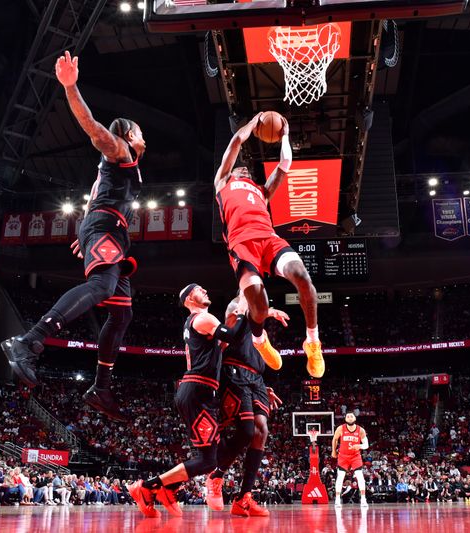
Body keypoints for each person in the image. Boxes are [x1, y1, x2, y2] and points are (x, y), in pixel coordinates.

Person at [0, 50, 145, 422]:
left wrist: (86, 228)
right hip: (105, 226)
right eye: (139, 130)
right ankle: (29, 340)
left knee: (122, 314)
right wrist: (70, 88)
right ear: (129, 134)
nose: (143, 135)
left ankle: (101, 386)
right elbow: (94, 128)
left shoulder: (119, 168)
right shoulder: (120, 148)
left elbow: (98, 197)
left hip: (105, 227)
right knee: (101, 288)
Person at [214, 113, 324, 378]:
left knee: (303, 277)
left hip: (269, 239)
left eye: (247, 170)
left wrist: (285, 133)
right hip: (242, 244)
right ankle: (260, 341)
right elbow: (237, 141)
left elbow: (285, 163)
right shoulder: (222, 182)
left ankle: (312, 342)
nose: (244, 169)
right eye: (241, 169)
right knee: (259, 307)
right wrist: (255, 121)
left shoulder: (261, 191)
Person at [129, 283, 249, 518]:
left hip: (202, 391)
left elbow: (221, 344)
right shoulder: (202, 318)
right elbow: (232, 336)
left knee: (211, 455)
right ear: (188, 300)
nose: (205, 289)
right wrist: (243, 307)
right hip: (198, 391)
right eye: (198, 289)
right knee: (206, 461)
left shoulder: (197, 326)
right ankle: (147, 487)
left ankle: (169, 488)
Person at [208, 294, 285, 517]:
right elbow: (239, 315)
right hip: (234, 371)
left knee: (262, 430)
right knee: (247, 430)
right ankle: (217, 475)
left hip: (257, 380)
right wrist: (267, 311)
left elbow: (271, 361)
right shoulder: (235, 307)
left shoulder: (261, 332)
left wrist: (265, 387)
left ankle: (243, 498)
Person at [331, 412, 369, 507]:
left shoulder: (361, 430)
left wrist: (359, 445)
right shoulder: (340, 428)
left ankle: (363, 499)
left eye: (351, 416)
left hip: (355, 456)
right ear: (345, 419)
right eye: (348, 416)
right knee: (340, 477)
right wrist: (333, 451)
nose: (349, 417)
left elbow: (366, 445)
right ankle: (337, 499)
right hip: (343, 456)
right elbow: (335, 439)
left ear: (355, 418)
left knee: (360, 476)